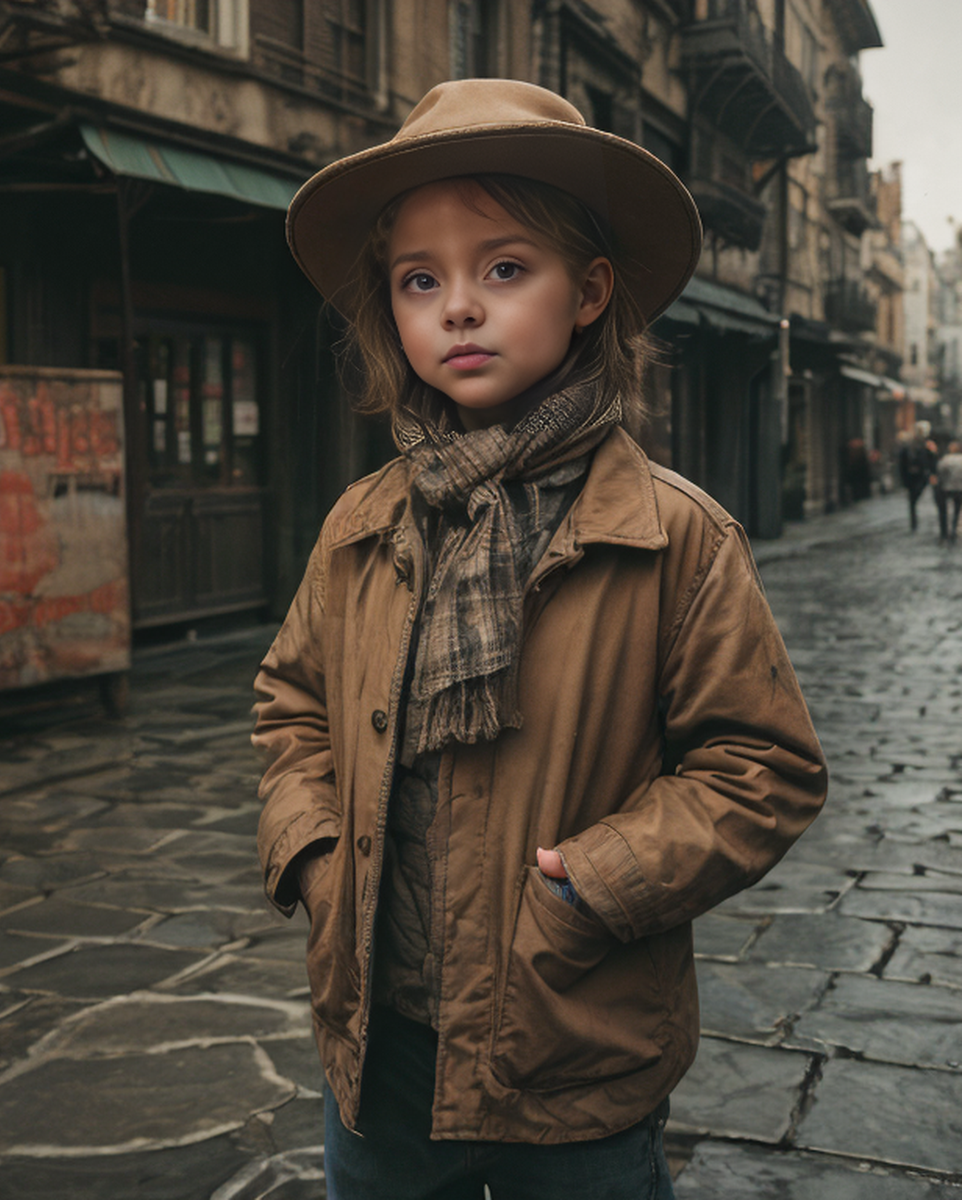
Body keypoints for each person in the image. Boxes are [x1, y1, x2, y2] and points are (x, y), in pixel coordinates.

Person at [252, 79, 827, 1200]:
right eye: (421, 280)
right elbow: (292, 705)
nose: (458, 307)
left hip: (569, 1049)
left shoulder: (674, 535)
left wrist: (591, 886)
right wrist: (319, 860)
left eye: (503, 269)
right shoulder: (363, 522)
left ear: (588, 293)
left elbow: (761, 767)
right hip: (378, 1048)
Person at [898, 421, 938, 532]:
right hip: (914, 477)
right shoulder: (910, 445)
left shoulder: (927, 445)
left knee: (915, 501)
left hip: (922, 476)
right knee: (913, 501)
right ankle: (914, 524)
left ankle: (917, 524)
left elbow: (931, 461)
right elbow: (903, 463)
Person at [937, 440, 962, 544]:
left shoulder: (945, 460)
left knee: (945, 510)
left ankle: (945, 531)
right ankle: (954, 528)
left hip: (947, 487)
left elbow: (940, 473)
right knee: (957, 509)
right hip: (960, 488)